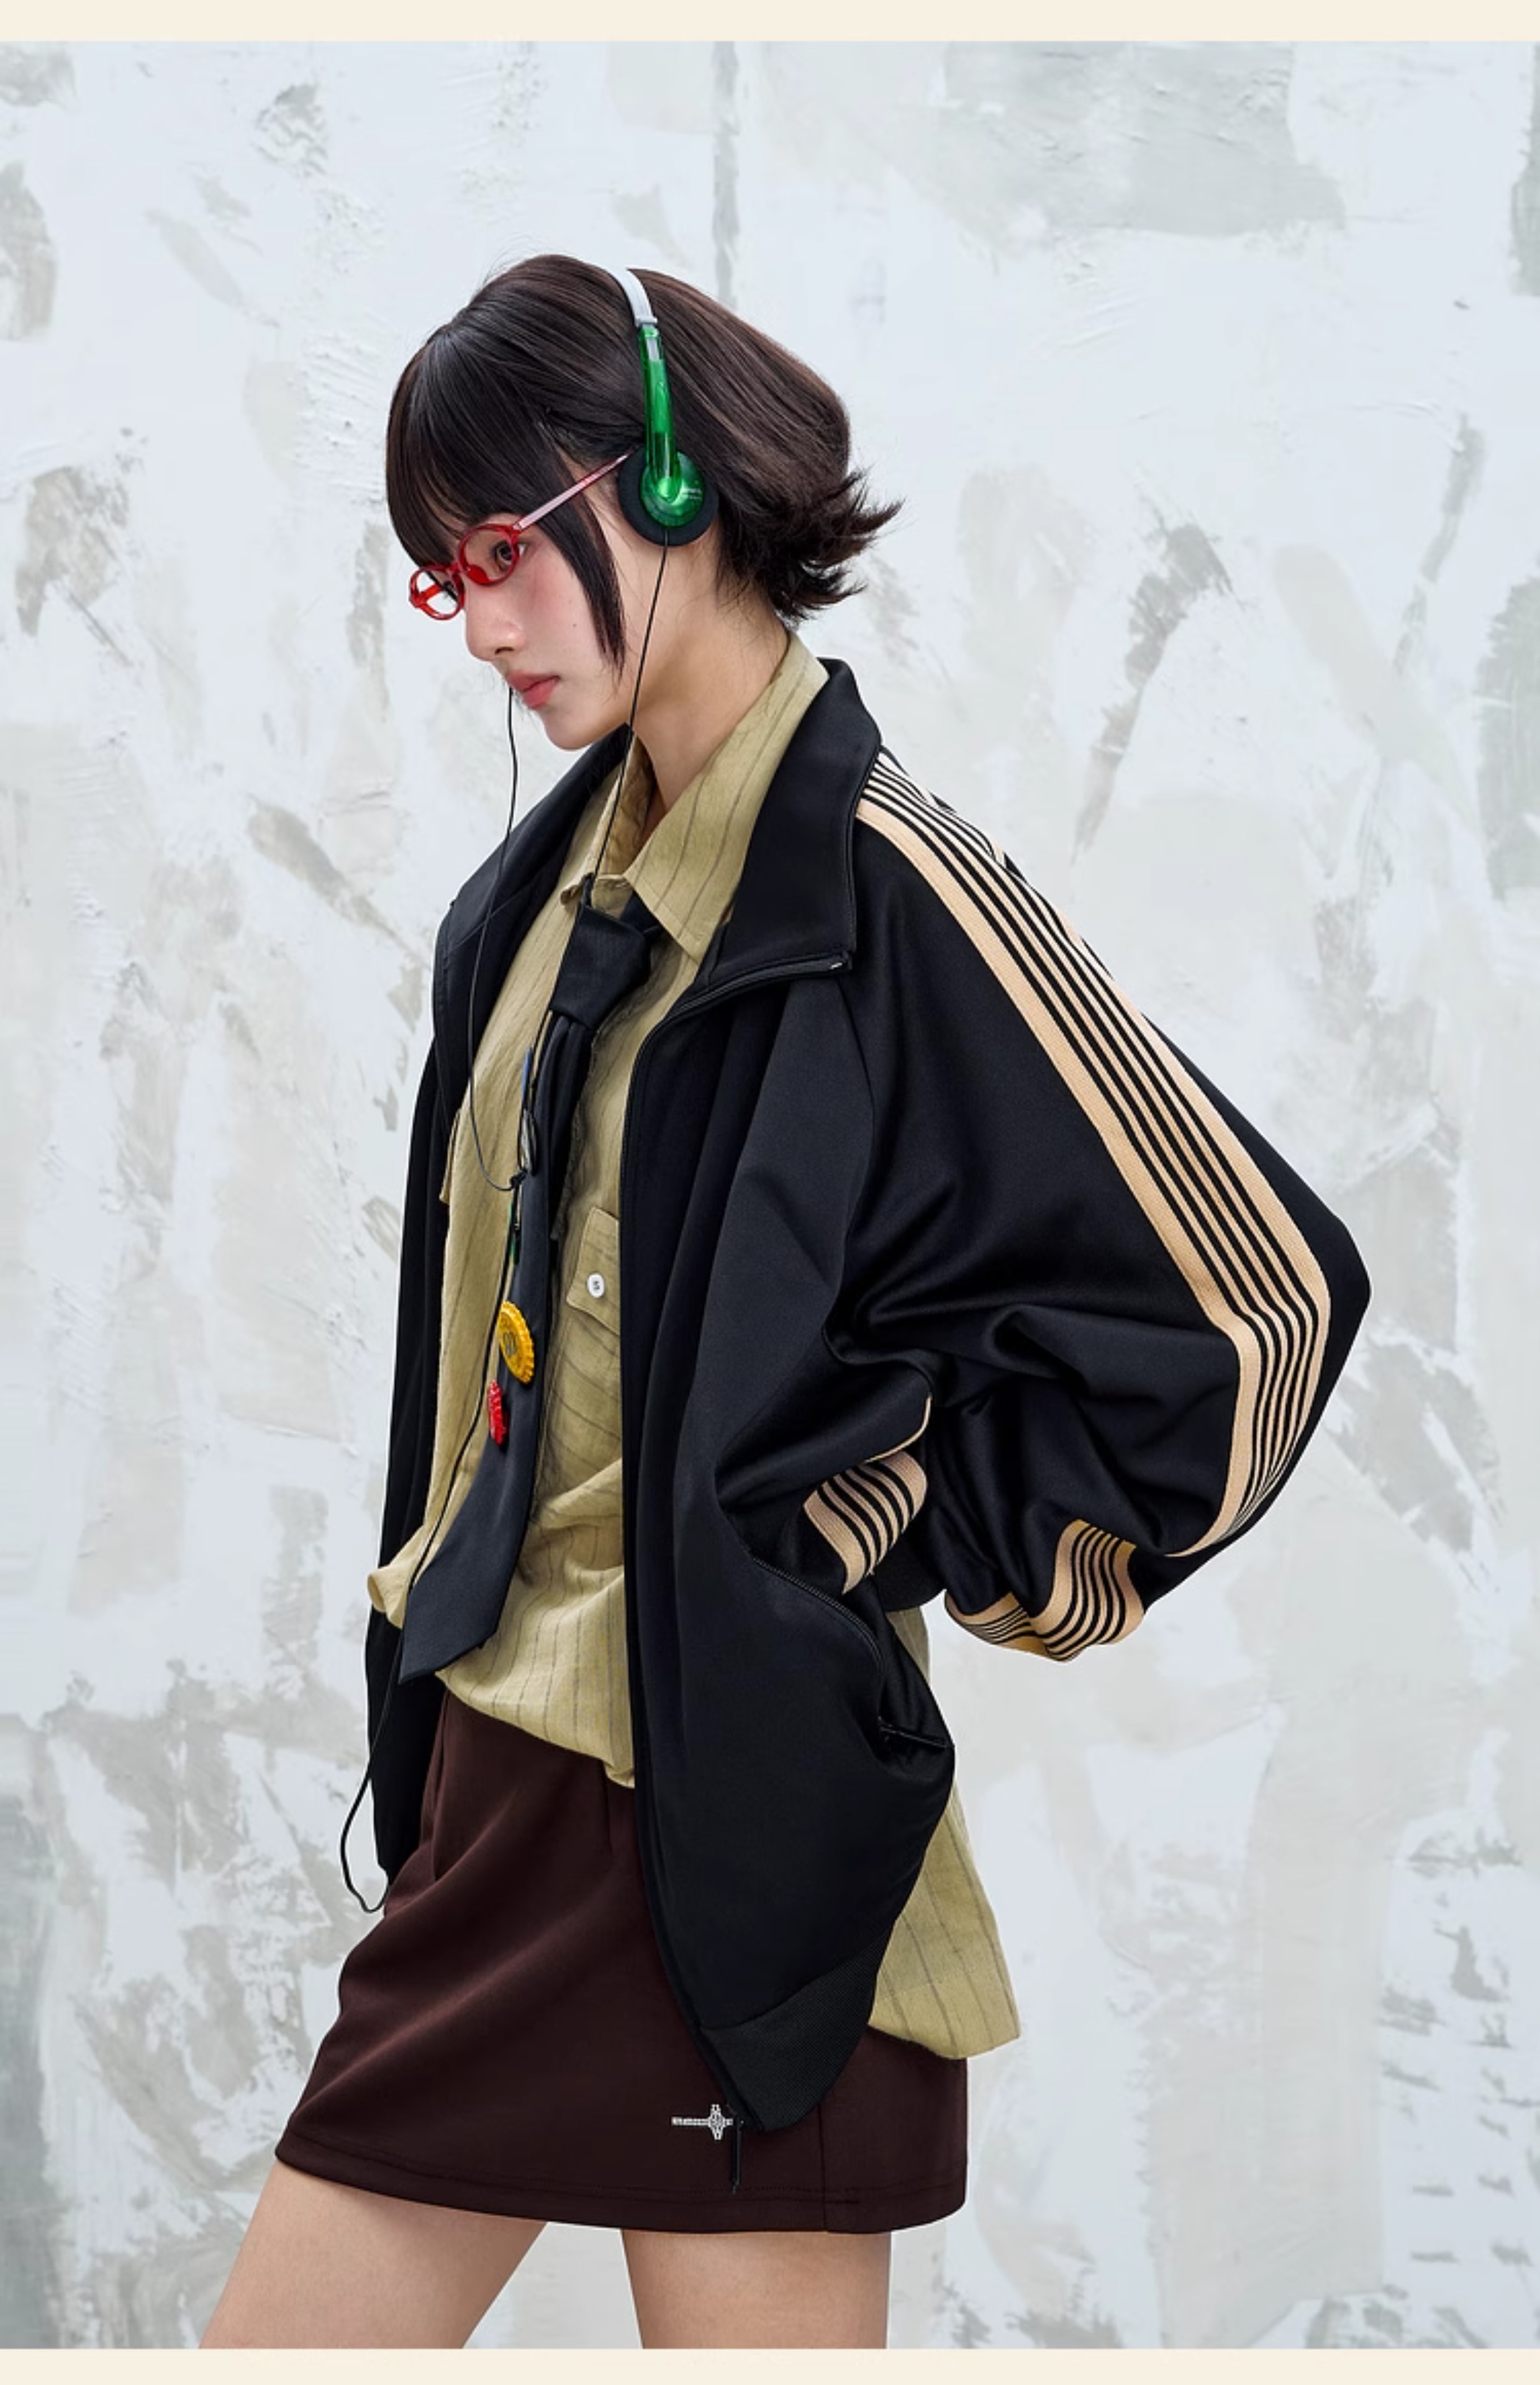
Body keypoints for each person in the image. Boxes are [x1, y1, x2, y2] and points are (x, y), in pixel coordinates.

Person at [201, 256, 1370, 2351]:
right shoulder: (533, 905)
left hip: (729, 1837)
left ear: (662, 483)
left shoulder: (887, 887)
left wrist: (874, 1524)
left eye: (498, 552)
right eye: (440, 578)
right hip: (513, 1789)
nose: (476, 626)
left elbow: (1262, 1301)